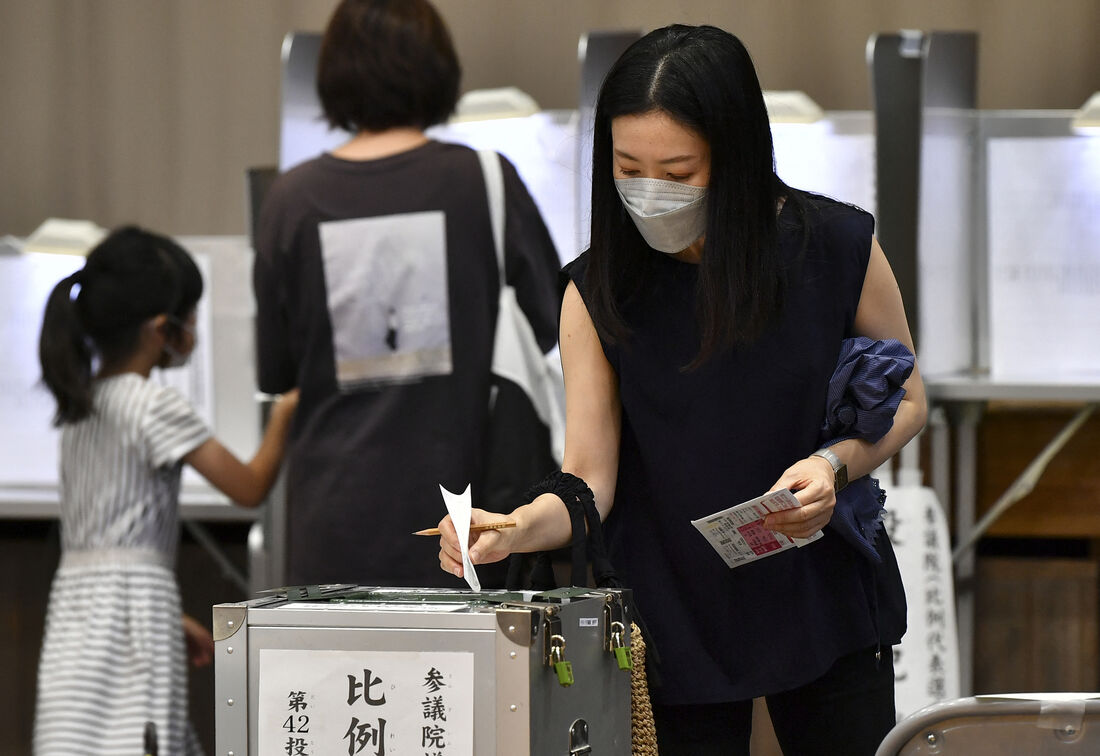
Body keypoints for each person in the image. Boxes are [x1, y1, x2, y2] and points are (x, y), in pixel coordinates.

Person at [437, 24, 928, 756]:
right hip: (672, 609)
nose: (649, 193)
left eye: (678, 171)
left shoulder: (835, 246)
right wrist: (513, 529)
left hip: (818, 592)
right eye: (628, 167)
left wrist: (835, 465)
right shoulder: (598, 288)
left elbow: (910, 399)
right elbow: (590, 478)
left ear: (735, 157)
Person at [254, 0, 561, 586]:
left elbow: (277, 371)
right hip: (468, 523)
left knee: (343, 680)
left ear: (334, 74)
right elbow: (554, 324)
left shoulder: (291, 201)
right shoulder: (484, 181)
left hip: (332, 518)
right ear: (439, 69)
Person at [34, 227, 299, 756]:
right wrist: (285, 414)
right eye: (192, 315)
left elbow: (106, 534)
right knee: (138, 737)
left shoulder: (82, 403)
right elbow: (247, 487)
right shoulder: (154, 404)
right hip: (135, 605)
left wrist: (167, 616)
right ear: (162, 328)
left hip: (76, 609)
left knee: (84, 738)